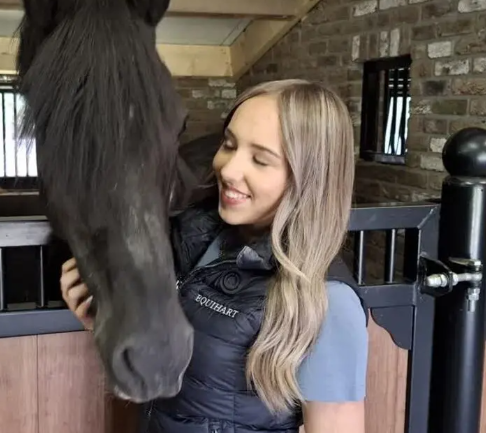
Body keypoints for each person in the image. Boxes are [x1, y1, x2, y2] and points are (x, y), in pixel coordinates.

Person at [60, 79, 368, 433]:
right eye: (229, 144)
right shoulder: (198, 238)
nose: (228, 168)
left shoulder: (329, 300)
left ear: (308, 179)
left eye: (260, 160)